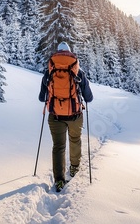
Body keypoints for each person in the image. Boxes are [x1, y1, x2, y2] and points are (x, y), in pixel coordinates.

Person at [38, 41, 93, 192]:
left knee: (58, 147)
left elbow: (41, 98)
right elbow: (89, 97)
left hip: (55, 116)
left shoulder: (49, 72)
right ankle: (74, 168)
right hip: (75, 115)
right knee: (75, 140)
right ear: (69, 53)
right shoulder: (77, 71)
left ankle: (59, 180)